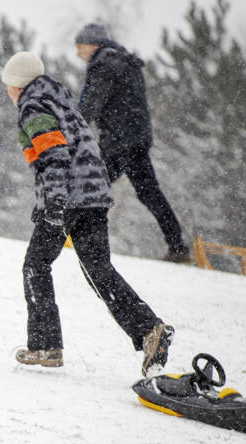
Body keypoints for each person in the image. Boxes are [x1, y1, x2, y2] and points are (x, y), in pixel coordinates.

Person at [1, 51, 173, 377]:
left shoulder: (33, 105)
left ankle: (44, 345)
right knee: (99, 270)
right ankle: (149, 329)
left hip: (67, 198)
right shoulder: (61, 102)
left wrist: (53, 205)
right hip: (94, 196)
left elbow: (54, 156)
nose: (8, 92)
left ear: (18, 84)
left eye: (9, 85)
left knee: (35, 265)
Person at [74, 22, 189, 263]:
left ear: (92, 44)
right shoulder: (123, 61)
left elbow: (92, 104)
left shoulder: (104, 64)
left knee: (92, 184)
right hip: (133, 139)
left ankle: (70, 236)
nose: (78, 53)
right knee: (145, 192)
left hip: (120, 142)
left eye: (80, 47)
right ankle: (178, 245)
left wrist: (72, 129)